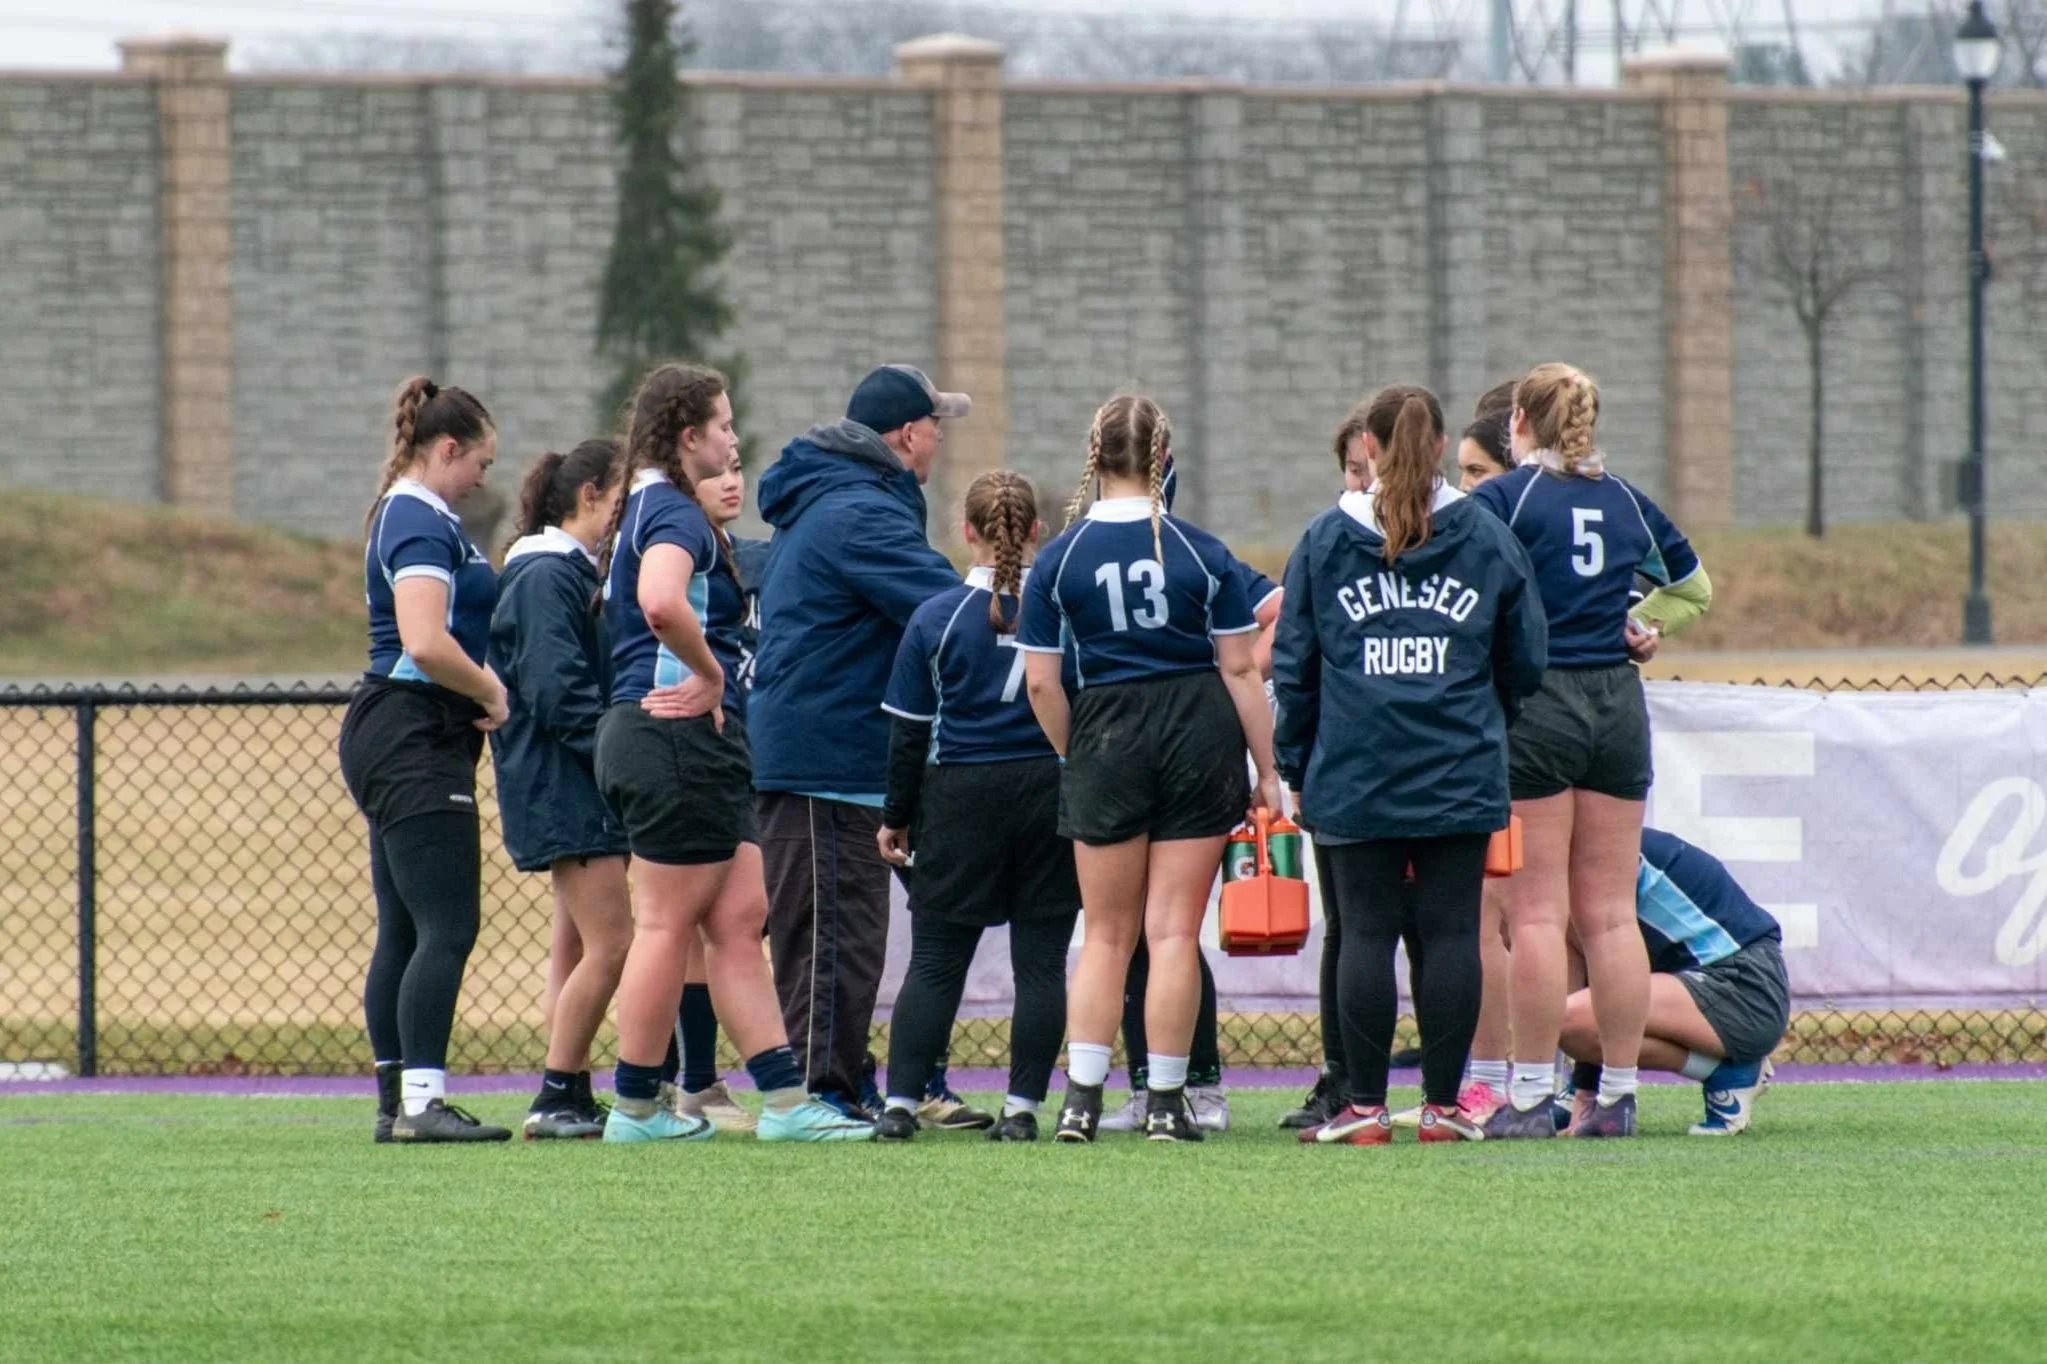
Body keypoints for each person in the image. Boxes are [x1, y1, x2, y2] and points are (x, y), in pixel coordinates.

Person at [594, 361, 871, 1143]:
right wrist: (712, 675)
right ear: (689, 437)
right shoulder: (677, 513)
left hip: (664, 736)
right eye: (722, 425)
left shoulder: (646, 504)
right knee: (664, 925)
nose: (733, 437)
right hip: (674, 734)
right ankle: (637, 1108)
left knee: (739, 915)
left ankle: (785, 1102)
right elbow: (659, 602)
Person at [1272, 384, 1547, 1146]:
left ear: (1369, 447)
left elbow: (1292, 665)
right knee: (1451, 933)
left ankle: (1362, 1108)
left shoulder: (1325, 539)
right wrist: (1487, 716)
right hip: (1456, 767)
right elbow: (1525, 655)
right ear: (1435, 448)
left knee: (1363, 934)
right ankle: (1439, 1107)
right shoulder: (1485, 536)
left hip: (1354, 769)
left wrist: (1295, 760)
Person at [1020, 394, 1281, 1144]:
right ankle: (1168, 1102)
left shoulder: (1060, 557)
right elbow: (1239, 672)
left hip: (1106, 729)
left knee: (1104, 934)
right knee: (1171, 933)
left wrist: (1077, 752)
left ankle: (1080, 1101)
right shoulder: (1201, 550)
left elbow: (1041, 683)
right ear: (1162, 461)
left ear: (1093, 459)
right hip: (1196, 730)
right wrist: (1266, 770)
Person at [1469, 363, 1714, 1140]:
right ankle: (1613, 1096)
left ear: (1519, 420)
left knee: (1536, 916)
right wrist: (1643, 624)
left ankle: (1531, 1096)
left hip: (1537, 704)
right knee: (1609, 917)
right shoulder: (1625, 501)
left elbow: (1470, 595)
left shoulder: (1502, 500)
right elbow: (1694, 587)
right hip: (1615, 706)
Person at [749, 365, 968, 1116]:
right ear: (907, 435)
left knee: (851, 937)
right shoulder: (858, 514)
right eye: (936, 425)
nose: (940, 439)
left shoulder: (845, 502)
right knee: (831, 940)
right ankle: (817, 1096)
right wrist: (1029, 603)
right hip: (824, 757)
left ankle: (852, 1086)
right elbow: (944, 607)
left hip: (840, 752)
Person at [871, 472, 1081, 1144]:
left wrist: (895, 815)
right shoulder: (1061, 613)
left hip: (961, 796)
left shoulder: (935, 618)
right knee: (1041, 964)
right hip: (1049, 794)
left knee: (935, 959)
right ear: (1034, 532)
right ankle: (1020, 1110)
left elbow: (908, 735)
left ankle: (900, 1105)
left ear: (966, 532)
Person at [339, 375, 510, 1144]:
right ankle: (419, 1103)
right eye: (479, 461)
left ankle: (396, 1101)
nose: (483, 478)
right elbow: (424, 641)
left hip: (402, 729)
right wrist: (491, 691)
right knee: (448, 925)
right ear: (446, 448)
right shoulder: (417, 518)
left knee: (405, 930)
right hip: (413, 730)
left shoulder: (417, 513)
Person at [1101, 455, 1282, 1136]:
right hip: (1176, 753)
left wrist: (1237, 671)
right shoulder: (1196, 552)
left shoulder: (1157, 551)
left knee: (1152, 933)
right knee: (1154, 934)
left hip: (1127, 753)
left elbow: (1277, 610)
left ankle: (1186, 1084)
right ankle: (1164, 1087)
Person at [487, 440, 633, 1139]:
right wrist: (614, 755)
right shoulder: (548, 575)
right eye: (621, 499)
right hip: (565, 783)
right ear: (590, 497)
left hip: (561, 778)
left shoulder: (558, 572)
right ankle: (556, 1093)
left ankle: (565, 1087)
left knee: (575, 945)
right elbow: (554, 687)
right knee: (613, 943)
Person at [1560, 829, 1787, 1135]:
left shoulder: (1604, 857)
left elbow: (1602, 979)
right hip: (1705, 984)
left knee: (1571, 1021)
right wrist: (1580, 1091)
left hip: (1744, 989)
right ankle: (1572, 1093)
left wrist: (1587, 1089)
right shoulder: (1586, 852)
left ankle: (1730, 1073)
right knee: (1571, 1021)